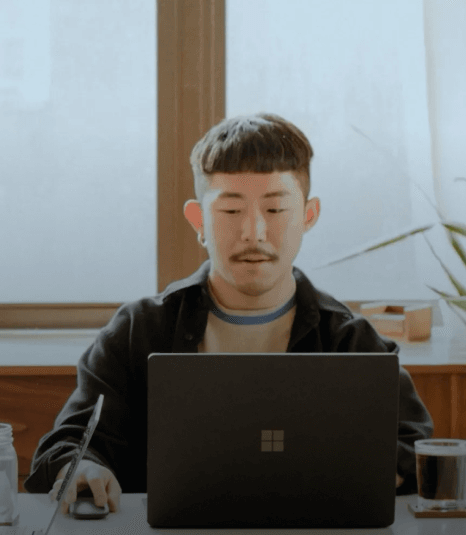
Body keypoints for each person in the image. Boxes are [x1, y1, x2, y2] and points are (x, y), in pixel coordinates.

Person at [24, 113, 435, 514]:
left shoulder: (349, 339)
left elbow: (415, 449)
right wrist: (84, 468)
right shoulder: (139, 330)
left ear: (308, 216)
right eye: (231, 211)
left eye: (275, 211)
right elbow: (65, 448)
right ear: (198, 219)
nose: (253, 231)